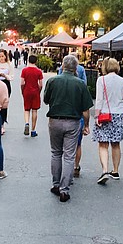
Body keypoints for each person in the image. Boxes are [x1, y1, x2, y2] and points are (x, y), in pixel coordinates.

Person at [43, 55, 93, 203]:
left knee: (56, 153)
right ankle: (65, 189)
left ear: (63, 66)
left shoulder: (52, 81)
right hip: (73, 122)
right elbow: (85, 109)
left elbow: (46, 100)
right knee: (69, 156)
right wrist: (87, 125)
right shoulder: (80, 84)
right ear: (75, 68)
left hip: (55, 121)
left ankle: (56, 184)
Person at [93, 58, 123, 185]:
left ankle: (105, 170)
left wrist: (97, 116)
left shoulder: (101, 80)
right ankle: (115, 171)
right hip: (120, 114)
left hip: (105, 114)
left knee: (103, 143)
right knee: (116, 144)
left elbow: (99, 99)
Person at [21, 54, 43, 137]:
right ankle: (33, 130)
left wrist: (22, 90)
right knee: (34, 110)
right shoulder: (39, 71)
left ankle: (27, 123)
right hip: (35, 91)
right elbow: (40, 84)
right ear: (36, 61)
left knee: (27, 109)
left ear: (28, 60)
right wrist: (39, 91)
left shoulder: (24, 70)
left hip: (27, 91)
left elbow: (22, 83)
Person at [0, 49, 14, 135]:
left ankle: (2, 124)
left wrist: (5, 75)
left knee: (4, 105)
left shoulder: (9, 65)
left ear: (5, 56)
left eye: (2, 56)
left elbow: (11, 77)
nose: (1, 58)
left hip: (6, 84)